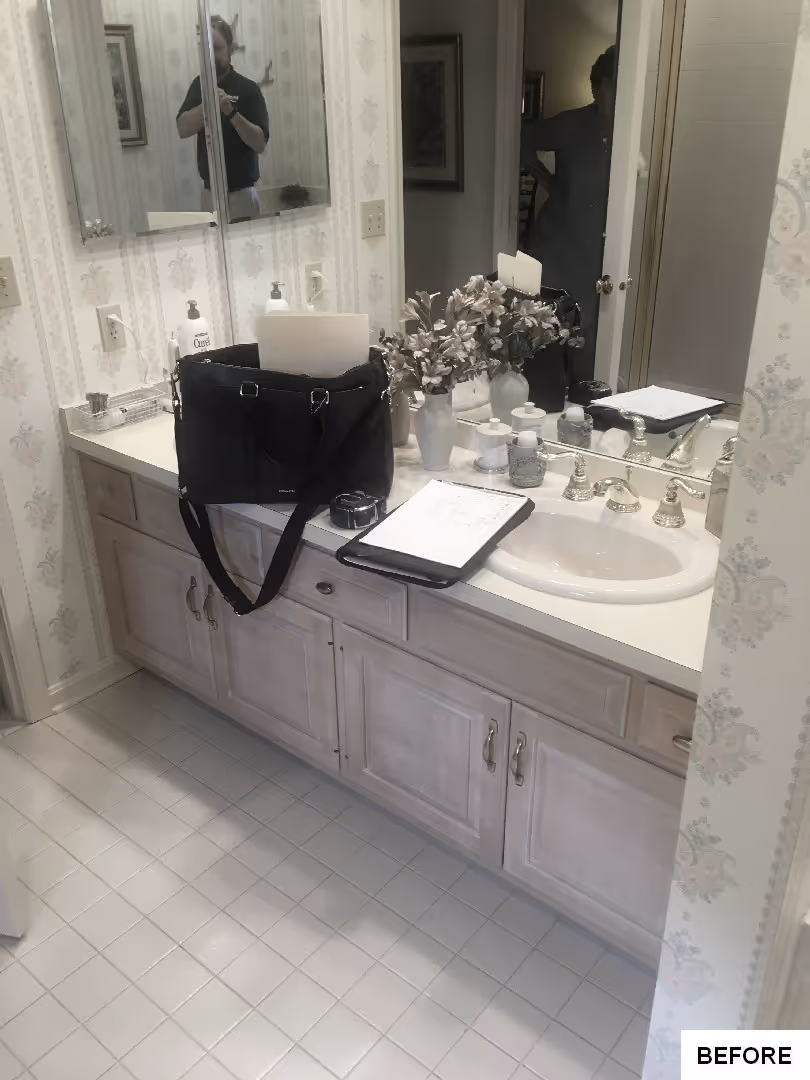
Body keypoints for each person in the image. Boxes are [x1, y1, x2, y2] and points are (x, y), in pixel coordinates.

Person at [520, 46, 617, 381]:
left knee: (588, 337)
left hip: (596, 252)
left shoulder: (628, 132)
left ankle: (582, 405)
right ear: (598, 87)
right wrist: (550, 182)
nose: (618, 98)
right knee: (547, 330)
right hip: (557, 244)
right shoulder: (572, 124)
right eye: (613, 87)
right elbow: (520, 140)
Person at [177, 16, 269, 221]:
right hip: (209, 195)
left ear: (230, 49)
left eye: (217, 48)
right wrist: (207, 106)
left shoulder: (248, 89)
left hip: (242, 195)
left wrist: (230, 111)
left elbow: (260, 143)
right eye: (206, 49)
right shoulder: (198, 86)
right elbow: (182, 129)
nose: (211, 55)